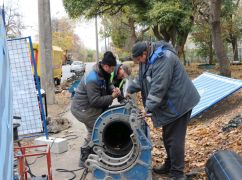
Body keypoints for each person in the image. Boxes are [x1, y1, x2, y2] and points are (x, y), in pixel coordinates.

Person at [127, 41, 200, 180]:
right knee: (167, 137)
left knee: (175, 140)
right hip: (170, 104)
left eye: (138, 60)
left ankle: (178, 174)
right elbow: (141, 80)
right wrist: (129, 89)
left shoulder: (164, 58)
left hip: (179, 104)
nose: (138, 63)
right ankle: (170, 165)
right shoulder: (147, 59)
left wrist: (147, 108)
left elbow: (158, 87)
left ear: (144, 53)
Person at [71, 51, 121, 167]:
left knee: (100, 127)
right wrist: (111, 97)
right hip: (82, 109)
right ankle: (84, 158)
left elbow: (108, 84)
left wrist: (113, 89)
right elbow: (95, 101)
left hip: (89, 106)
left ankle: (94, 152)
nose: (113, 70)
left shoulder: (103, 72)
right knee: (96, 129)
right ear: (105, 66)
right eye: (112, 68)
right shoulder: (92, 78)